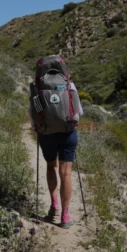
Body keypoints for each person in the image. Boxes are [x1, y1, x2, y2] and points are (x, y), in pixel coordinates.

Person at [28, 55, 83, 229]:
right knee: (66, 173)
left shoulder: (37, 87)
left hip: (47, 134)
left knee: (52, 166)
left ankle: (54, 205)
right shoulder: (69, 85)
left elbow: (33, 114)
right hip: (68, 133)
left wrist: (38, 127)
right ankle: (65, 217)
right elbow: (78, 111)